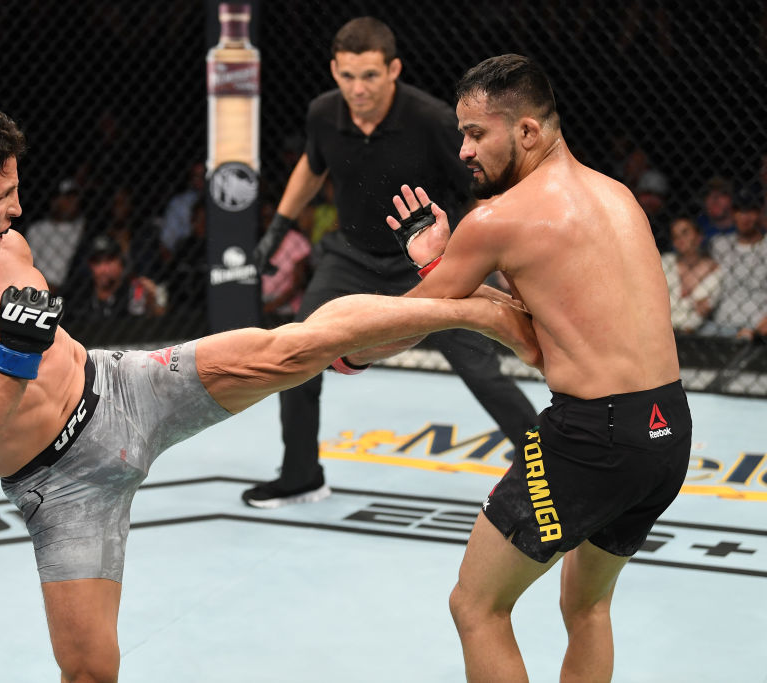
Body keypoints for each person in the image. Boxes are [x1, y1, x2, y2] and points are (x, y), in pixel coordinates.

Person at [0, 100, 539, 683]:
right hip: (61, 486)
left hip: (121, 386)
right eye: (2, 195)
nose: (18, 207)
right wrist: (11, 363)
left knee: (294, 345)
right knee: (90, 671)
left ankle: (466, 304)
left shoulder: (7, 247)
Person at [344, 54, 692, 682]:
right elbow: (542, 335)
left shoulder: (499, 219)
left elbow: (411, 319)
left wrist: (347, 352)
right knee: (587, 604)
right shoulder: (617, 197)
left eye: (477, 133)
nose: (464, 151)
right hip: (667, 432)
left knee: (476, 605)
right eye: (461, 135)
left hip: (593, 438)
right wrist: (446, 269)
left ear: (528, 131)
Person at [245, 17, 538, 508]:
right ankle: (300, 474)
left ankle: (544, 463)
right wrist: (277, 229)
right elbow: (312, 167)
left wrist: (487, 260)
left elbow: (478, 190)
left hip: (428, 264)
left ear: (394, 69)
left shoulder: (430, 118)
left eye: (370, 76)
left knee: (479, 367)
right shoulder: (323, 114)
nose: (358, 89)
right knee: (298, 353)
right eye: (348, 76)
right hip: (351, 258)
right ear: (335, 70)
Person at [701, 192, 767, 339]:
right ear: (733, 214)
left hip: (757, 328)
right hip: (719, 325)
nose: (745, 217)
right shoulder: (719, 244)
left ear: (760, 213)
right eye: (739, 211)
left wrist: (758, 331)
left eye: (750, 211)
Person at [63, 233, 166, 323]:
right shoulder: (78, 295)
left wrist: (152, 303)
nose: (103, 269)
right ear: (90, 266)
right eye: (97, 262)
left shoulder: (135, 291)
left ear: (121, 263)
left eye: (109, 261)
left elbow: (160, 322)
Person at [24, 177, 87, 293]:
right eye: (68, 198)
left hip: (71, 290)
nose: (73, 202)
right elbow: (30, 264)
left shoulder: (82, 228)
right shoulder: (38, 229)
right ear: (54, 200)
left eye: (75, 198)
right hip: (39, 288)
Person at [661, 216, 721, 333]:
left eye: (685, 233)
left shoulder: (714, 270)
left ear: (699, 237)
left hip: (693, 333)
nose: (680, 239)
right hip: (662, 327)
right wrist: (692, 303)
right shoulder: (665, 262)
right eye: (675, 236)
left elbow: (702, 312)